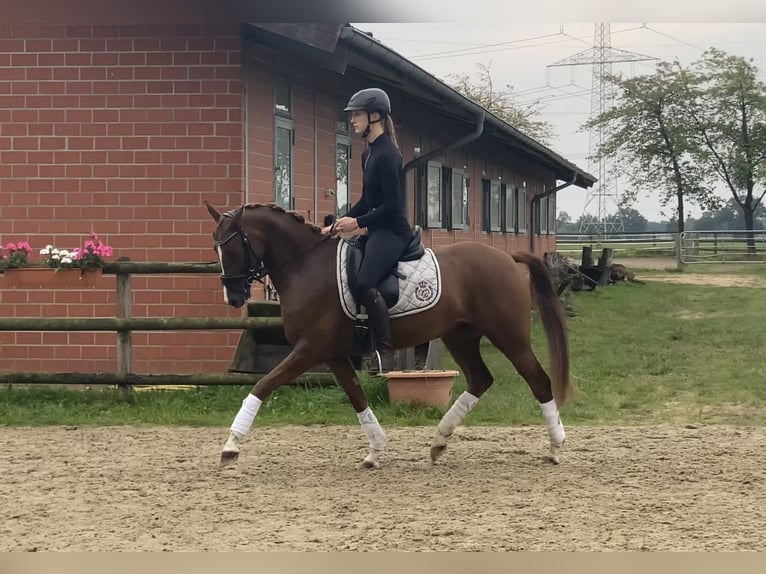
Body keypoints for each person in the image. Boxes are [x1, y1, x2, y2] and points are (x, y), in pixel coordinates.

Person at [322, 87, 412, 373]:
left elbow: (392, 207)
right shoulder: (368, 154)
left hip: (393, 233)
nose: (352, 120)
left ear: (375, 116)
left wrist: (358, 224)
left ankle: (384, 353)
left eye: (357, 115)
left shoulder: (388, 155)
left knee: (363, 283)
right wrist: (337, 223)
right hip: (375, 230)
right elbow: (366, 201)